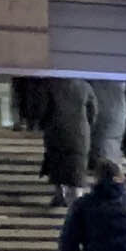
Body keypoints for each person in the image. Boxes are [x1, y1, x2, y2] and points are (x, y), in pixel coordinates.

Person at [39, 76, 93, 209]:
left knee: (56, 163)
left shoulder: (51, 85)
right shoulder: (85, 86)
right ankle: (77, 199)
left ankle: (59, 194)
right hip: (79, 133)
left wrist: (44, 125)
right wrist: (87, 125)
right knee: (77, 165)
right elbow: (93, 110)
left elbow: (43, 109)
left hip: (56, 131)